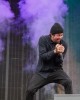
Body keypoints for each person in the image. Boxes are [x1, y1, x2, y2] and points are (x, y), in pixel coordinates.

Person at [26, 23, 73, 100]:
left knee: (68, 82)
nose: (60, 37)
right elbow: (43, 57)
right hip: (42, 72)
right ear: (51, 34)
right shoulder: (43, 40)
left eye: (61, 35)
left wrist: (60, 54)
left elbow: (60, 62)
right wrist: (55, 51)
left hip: (56, 71)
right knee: (30, 90)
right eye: (58, 35)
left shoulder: (64, 44)